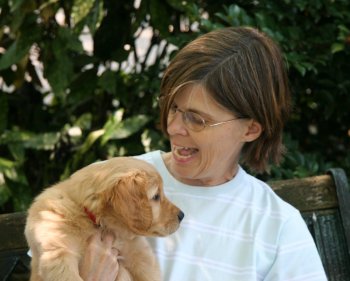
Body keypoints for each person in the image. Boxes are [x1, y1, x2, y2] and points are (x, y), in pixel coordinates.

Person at [79, 26, 328, 280]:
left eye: (196, 119)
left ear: (250, 129)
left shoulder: (276, 226)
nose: (173, 128)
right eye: (173, 108)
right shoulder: (112, 185)